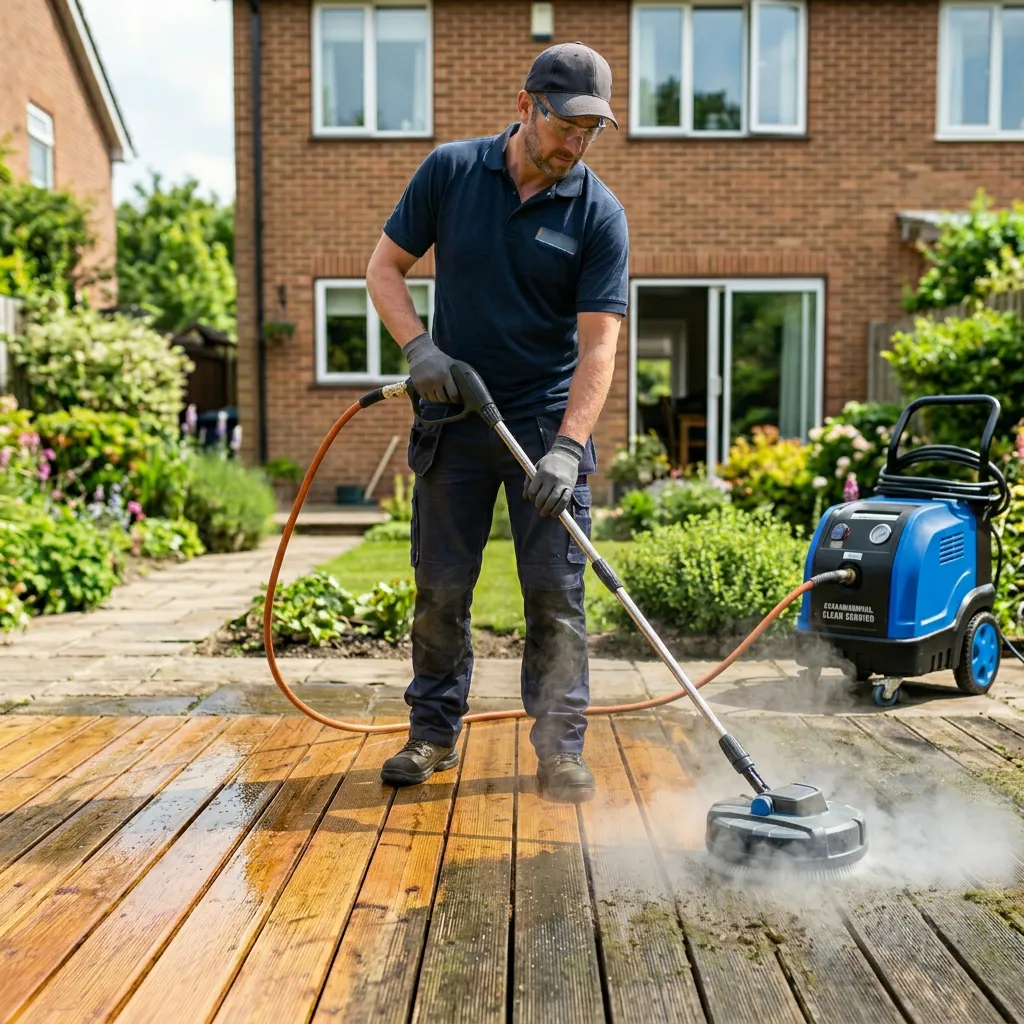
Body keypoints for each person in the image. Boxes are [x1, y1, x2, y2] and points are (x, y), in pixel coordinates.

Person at [365, 41, 628, 803]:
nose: (575, 145)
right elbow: (385, 268)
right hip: (454, 415)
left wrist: (570, 450)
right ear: (526, 107)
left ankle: (559, 749)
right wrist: (419, 348)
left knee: (555, 592)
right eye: (566, 126)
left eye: (591, 132)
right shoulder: (451, 172)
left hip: (545, 422)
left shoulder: (597, 213)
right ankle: (434, 734)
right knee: (442, 586)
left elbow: (600, 345)